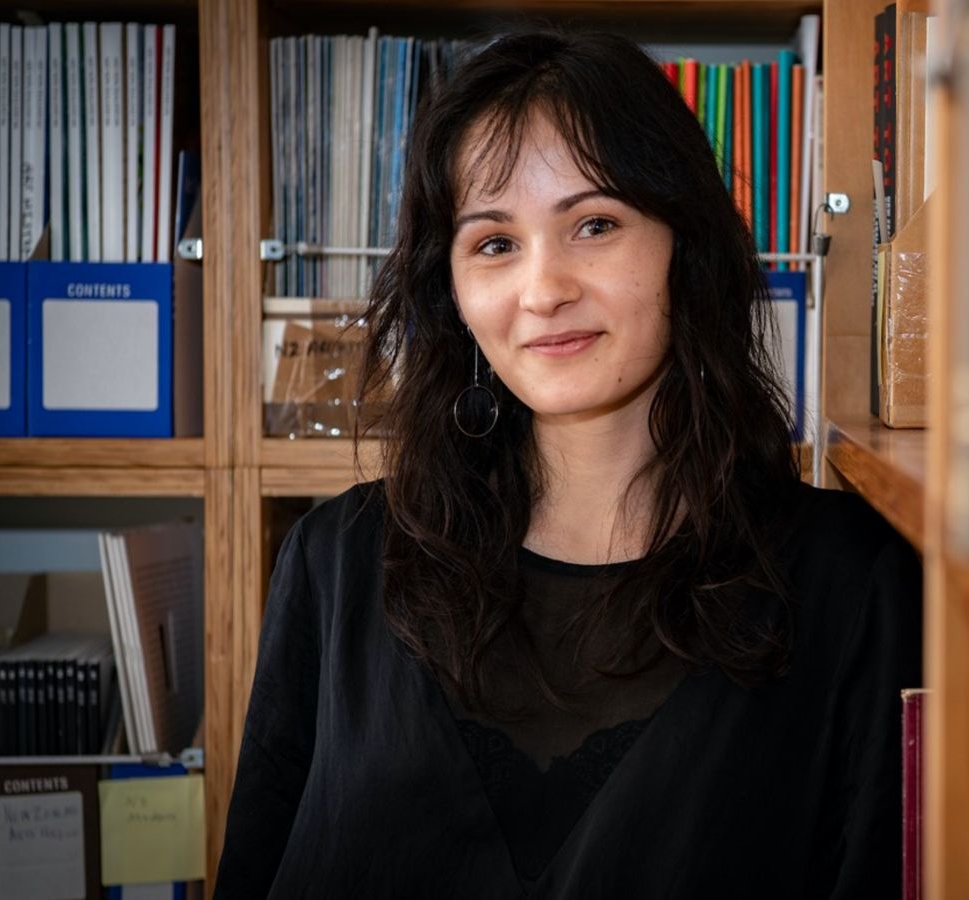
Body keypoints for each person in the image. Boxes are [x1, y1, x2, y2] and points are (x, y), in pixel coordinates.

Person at [215, 29, 921, 899]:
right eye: (495, 243)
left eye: (594, 224)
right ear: (454, 293)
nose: (544, 289)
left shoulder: (856, 586)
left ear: (682, 249)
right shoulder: (336, 563)